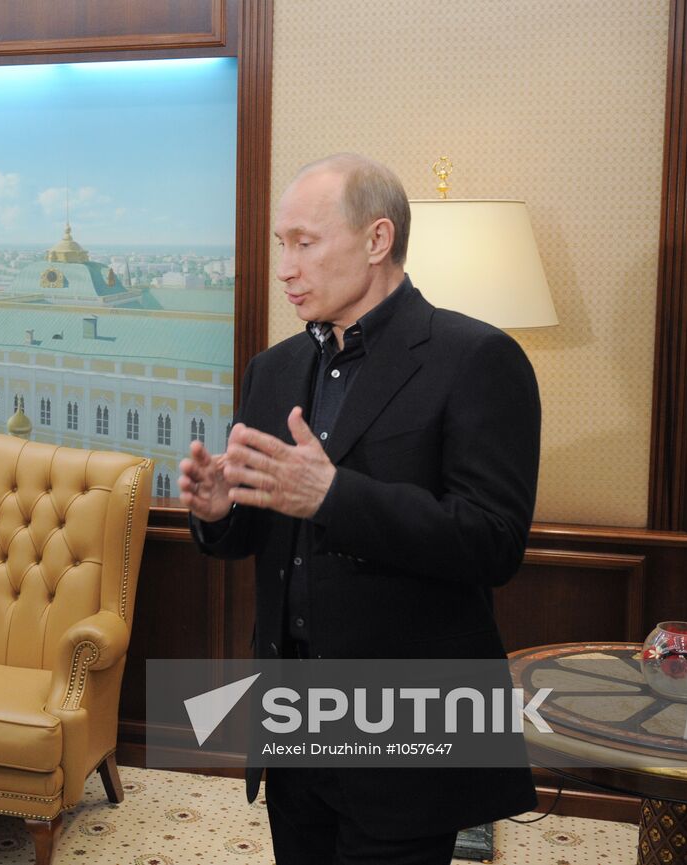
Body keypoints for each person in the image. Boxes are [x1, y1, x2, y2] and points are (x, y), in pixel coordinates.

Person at [179, 153, 541, 864]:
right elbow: (253, 534)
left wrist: (336, 496)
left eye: (304, 243)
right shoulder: (273, 369)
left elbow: (494, 541)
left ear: (377, 241)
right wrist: (220, 511)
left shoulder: (477, 358)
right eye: (280, 244)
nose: (284, 267)